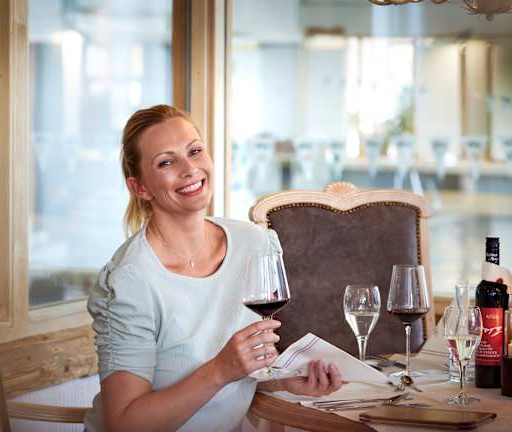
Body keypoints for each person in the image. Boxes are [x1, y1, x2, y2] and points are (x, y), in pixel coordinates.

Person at [85, 105, 343, 432]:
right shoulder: (130, 280)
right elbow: (125, 424)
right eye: (166, 162)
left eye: (194, 151)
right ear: (140, 188)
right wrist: (220, 369)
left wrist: (286, 380)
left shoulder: (253, 244)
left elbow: (242, 373)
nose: (190, 168)